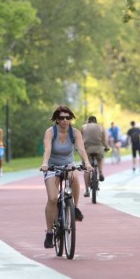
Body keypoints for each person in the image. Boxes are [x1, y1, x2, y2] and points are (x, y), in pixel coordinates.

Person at [40, 106, 93, 249]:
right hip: (52, 166)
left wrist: (87, 163)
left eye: (68, 118)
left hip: (68, 164)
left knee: (75, 177)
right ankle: (50, 233)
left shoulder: (75, 133)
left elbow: (81, 149)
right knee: (52, 198)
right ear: (56, 119)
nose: (65, 120)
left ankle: (74, 208)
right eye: (62, 118)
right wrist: (45, 163)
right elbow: (47, 149)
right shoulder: (50, 132)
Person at [81, 116, 109, 197]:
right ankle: (100, 172)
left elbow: (80, 139)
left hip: (87, 149)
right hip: (99, 148)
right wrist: (106, 147)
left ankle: (86, 190)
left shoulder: (84, 127)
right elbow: (104, 140)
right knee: (100, 159)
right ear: (96, 121)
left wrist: (79, 148)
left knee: (86, 169)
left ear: (88, 121)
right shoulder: (101, 127)